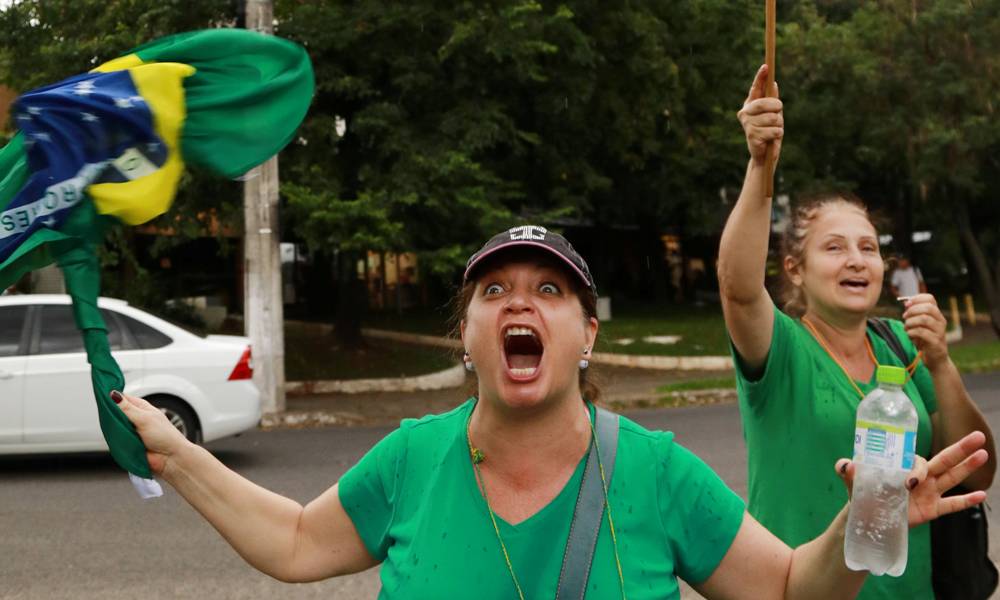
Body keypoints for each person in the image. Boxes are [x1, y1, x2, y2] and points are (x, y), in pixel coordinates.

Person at [115, 223, 989, 599]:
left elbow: (792, 588)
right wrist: (172, 452)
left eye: (550, 290)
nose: (518, 303)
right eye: (493, 291)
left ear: (587, 337)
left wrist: (864, 520)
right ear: (468, 336)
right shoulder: (412, 457)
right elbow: (297, 542)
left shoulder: (656, 469)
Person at [718, 64, 997, 599]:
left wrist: (940, 360)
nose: (857, 260)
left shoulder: (901, 343)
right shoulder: (779, 347)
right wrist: (760, 167)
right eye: (834, 247)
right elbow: (737, 287)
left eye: (868, 247)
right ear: (795, 269)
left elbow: (973, 475)